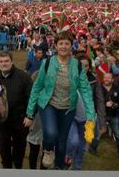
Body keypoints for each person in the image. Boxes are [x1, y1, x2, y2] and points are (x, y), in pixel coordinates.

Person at [24, 31, 95, 170]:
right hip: (48, 104)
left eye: (67, 43)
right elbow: (37, 87)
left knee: (62, 141)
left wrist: (91, 115)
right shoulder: (47, 62)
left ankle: (58, 167)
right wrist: (29, 113)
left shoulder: (77, 66)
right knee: (51, 133)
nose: (63, 46)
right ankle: (48, 150)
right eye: (60, 43)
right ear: (55, 46)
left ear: (71, 46)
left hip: (68, 108)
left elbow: (86, 90)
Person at [0, 51, 32, 169]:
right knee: (3, 145)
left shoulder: (23, 77)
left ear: (12, 62)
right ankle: (6, 168)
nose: (4, 64)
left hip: (20, 119)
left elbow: (31, 97)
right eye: (1, 61)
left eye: (6, 61)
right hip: (1, 120)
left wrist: (29, 116)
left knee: (19, 146)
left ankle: (18, 167)